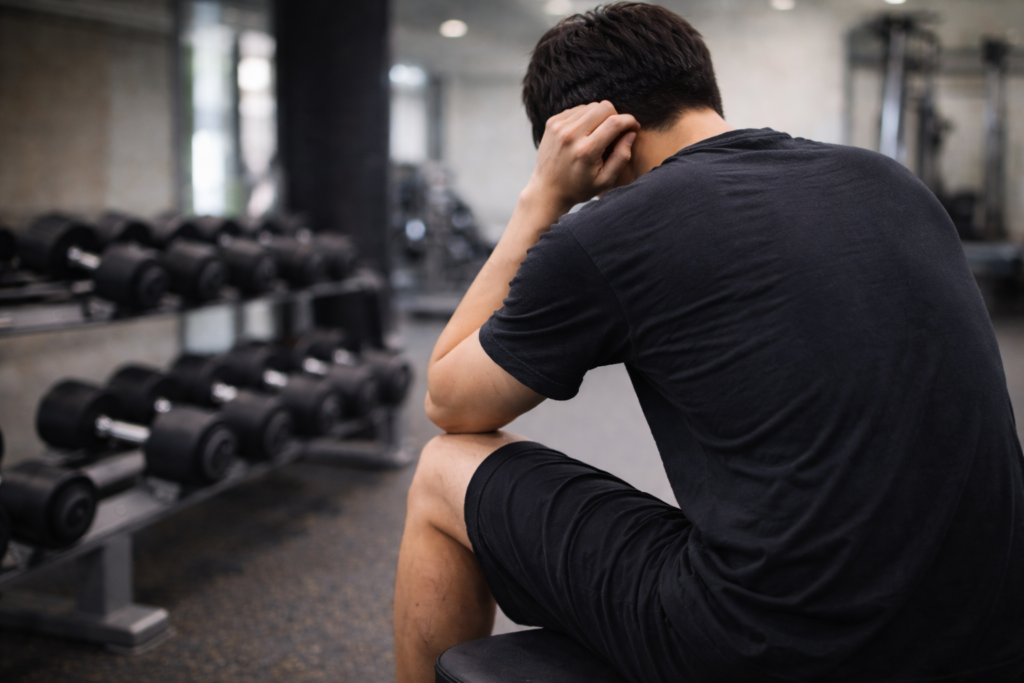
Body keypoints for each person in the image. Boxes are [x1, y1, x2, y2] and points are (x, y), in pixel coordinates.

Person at [393, 4, 1024, 682]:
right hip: (994, 633)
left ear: (582, 135)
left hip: (780, 649)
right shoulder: (891, 181)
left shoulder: (610, 232)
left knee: (442, 467)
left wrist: (540, 200)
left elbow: (449, 401)